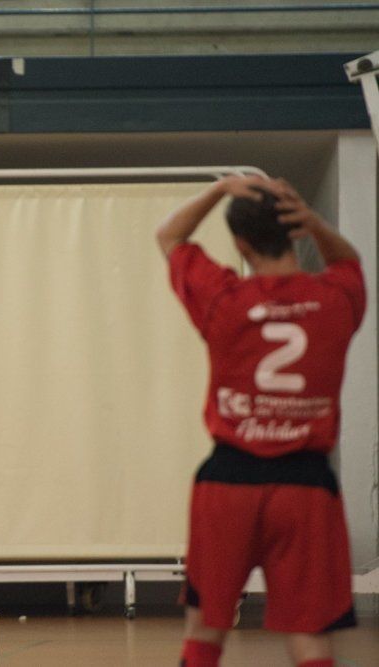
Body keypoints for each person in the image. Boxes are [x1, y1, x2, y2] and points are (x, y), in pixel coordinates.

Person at [156, 174, 364, 667]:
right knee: (311, 640)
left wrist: (219, 189)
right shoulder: (336, 298)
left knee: (205, 631)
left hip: (229, 482)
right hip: (306, 487)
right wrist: (315, 224)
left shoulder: (225, 299)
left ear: (241, 243)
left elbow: (169, 236)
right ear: (294, 231)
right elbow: (348, 262)